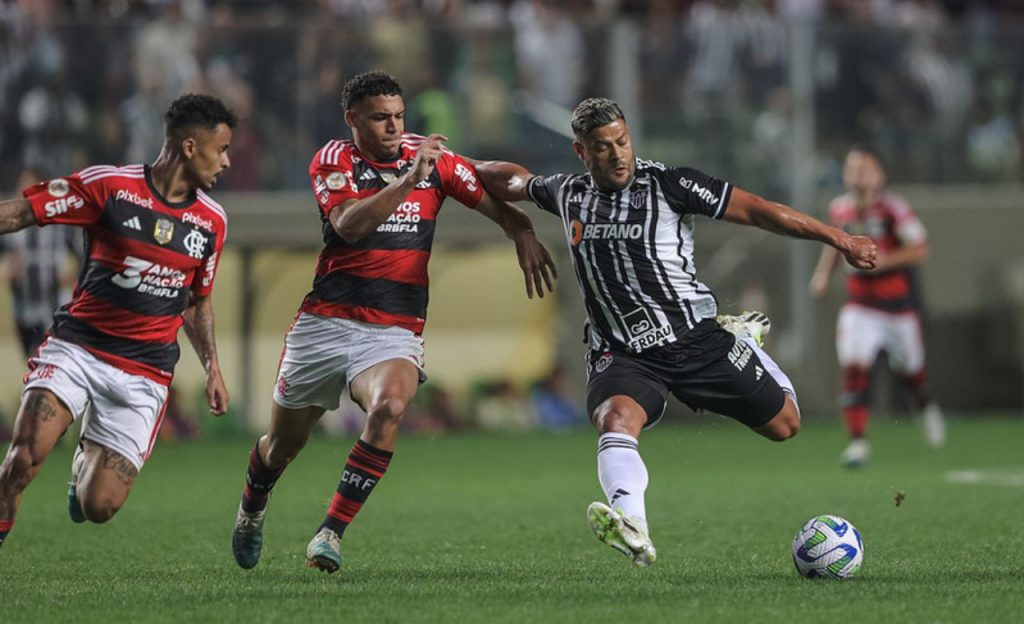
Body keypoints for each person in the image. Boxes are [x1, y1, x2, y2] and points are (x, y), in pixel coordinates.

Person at [473, 97, 877, 567]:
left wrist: (840, 238)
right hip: (621, 352)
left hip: (695, 341)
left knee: (786, 425)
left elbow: (760, 211)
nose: (618, 154)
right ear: (582, 153)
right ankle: (633, 527)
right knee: (614, 419)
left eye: (622, 141)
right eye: (602, 148)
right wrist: (453, 166)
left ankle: (741, 340)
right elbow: (511, 180)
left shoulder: (669, 185)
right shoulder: (567, 192)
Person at [230, 70, 556, 573]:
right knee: (281, 448)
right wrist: (410, 180)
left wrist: (521, 226)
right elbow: (348, 225)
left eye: (399, 116)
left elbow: (484, 181)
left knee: (391, 406)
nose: (392, 126)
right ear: (353, 119)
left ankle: (330, 533)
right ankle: (252, 510)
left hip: (393, 329)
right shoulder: (334, 160)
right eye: (381, 118)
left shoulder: (427, 158)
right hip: (325, 322)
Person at [0, 93, 234, 549]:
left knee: (99, 506)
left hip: (145, 371)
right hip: (79, 348)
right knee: (21, 461)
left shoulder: (211, 222)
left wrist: (213, 367)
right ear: (190, 147)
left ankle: (83, 464)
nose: (226, 161)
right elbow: (26, 211)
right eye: (220, 149)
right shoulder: (109, 187)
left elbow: (196, 301)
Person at [809, 146, 945, 468]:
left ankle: (924, 406)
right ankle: (857, 443)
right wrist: (822, 275)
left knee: (911, 373)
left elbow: (920, 248)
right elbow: (835, 245)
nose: (859, 175)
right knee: (855, 370)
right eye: (853, 169)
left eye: (865, 168)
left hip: (898, 310)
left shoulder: (893, 208)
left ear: (879, 174)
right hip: (860, 307)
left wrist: (887, 261)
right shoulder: (840, 208)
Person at [1, 165, 82, 358]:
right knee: (29, 355)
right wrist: (9, 269)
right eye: (22, 184)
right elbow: (7, 255)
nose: (24, 190)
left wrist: (73, 276)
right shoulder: (13, 223)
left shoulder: (60, 222)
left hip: (52, 300)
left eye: (29, 184)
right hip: (22, 300)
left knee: (44, 354)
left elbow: (82, 254)